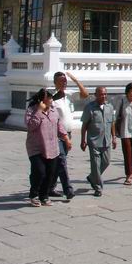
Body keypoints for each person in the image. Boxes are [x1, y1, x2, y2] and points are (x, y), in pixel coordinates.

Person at [25, 89, 71, 207]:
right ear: (42, 100)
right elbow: (30, 126)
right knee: (39, 172)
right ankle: (34, 195)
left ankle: (44, 196)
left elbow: (59, 125)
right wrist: (39, 111)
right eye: (49, 98)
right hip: (36, 147)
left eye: (51, 98)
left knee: (50, 173)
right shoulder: (32, 110)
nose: (51, 100)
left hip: (52, 147)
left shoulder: (53, 110)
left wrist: (66, 138)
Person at [49, 72, 88, 200]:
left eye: (65, 81)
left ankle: (50, 187)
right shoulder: (52, 98)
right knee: (62, 161)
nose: (64, 83)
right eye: (61, 81)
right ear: (55, 83)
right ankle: (68, 189)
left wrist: (76, 81)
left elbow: (85, 94)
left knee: (58, 163)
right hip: (57, 135)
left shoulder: (69, 94)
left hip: (68, 134)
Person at [80, 86, 116, 197]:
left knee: (106, 162)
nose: (103, 96)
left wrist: (114, 137)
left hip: (106, 141)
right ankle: (98, 187)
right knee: (96, 165)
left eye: (105, 94)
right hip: (94, 141)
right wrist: (83, 140)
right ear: (95, 95)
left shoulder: (109, 107)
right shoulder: (89, 108)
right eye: (101, 94)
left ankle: (92, 177)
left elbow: (112, 123)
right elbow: (84, 125)